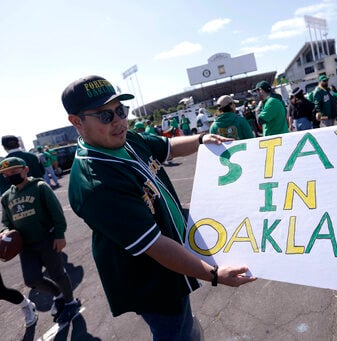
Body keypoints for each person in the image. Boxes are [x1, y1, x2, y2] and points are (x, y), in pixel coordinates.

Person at [61, 75, 256, 340]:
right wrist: (213, 274)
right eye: (105, 116)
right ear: (77, 122)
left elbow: (168, 148)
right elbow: (154, 245)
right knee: (174, 330)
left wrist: (201, 140)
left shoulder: (127, 139)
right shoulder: (96, 183)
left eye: (120, 111)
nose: (118, 121)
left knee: (183, 326)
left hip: (171, 263)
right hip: (153, 280)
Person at [0, 157, 81, 323]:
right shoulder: (6, 197)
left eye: (14, 172)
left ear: (25, 170)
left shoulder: (39, 187)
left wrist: (60, 234)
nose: (10, 176)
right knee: (31, 279)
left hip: (47, 239)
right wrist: (6, 231)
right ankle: (58, 295)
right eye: (6, 174)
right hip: (25, 246)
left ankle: (70, 301)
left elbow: (56, 212)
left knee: (58, 274)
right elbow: (5, 222)